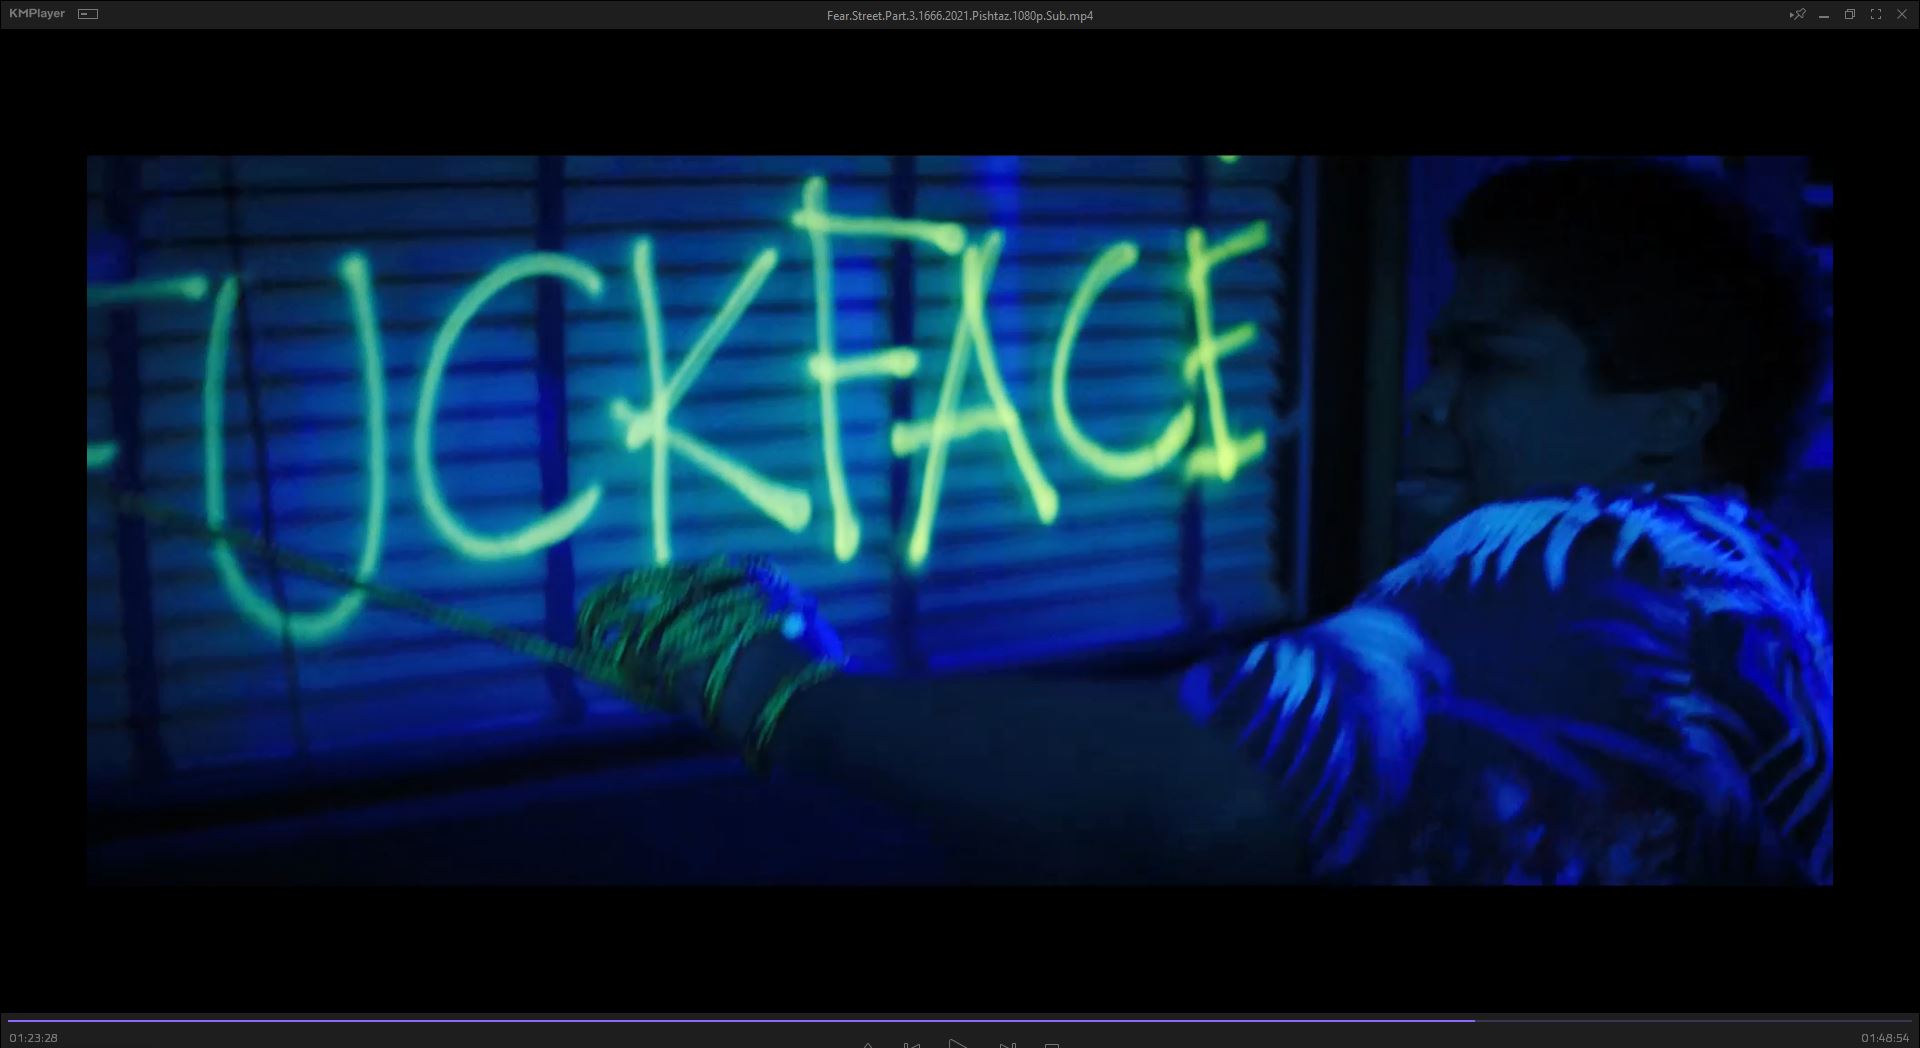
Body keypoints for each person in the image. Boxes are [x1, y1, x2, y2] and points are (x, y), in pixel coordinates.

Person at [588, 158, 1832, 885]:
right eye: (1437, 356)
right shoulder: (1751, 586)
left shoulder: (1605, 564)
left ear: (1673, 414)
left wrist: (775, 692)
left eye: (1490, 362)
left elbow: (1220, 790)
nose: (1427, 402)